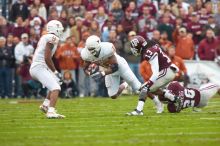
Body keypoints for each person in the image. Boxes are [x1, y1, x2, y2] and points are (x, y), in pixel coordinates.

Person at [127, 35, 180, 116]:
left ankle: (139, 110)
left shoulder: (148, 52)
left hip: (166, 71)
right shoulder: (150, 44)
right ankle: (174, 99)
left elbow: (155, 73)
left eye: (134, 47)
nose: (133, 50)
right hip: (169, 70)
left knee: (144, 88)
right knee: (151, 89)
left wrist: (148, 85)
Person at [29, 20, 65, 119]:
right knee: (55, 88)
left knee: (57, 81)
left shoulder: (46, 36)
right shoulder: (52, 37)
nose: (61, 32)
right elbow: (47, 58)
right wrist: (55, 71)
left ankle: (45, 105)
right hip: (39, 67)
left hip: (39, 66)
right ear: (55, 29)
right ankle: (51, 112)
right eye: (59, 29)